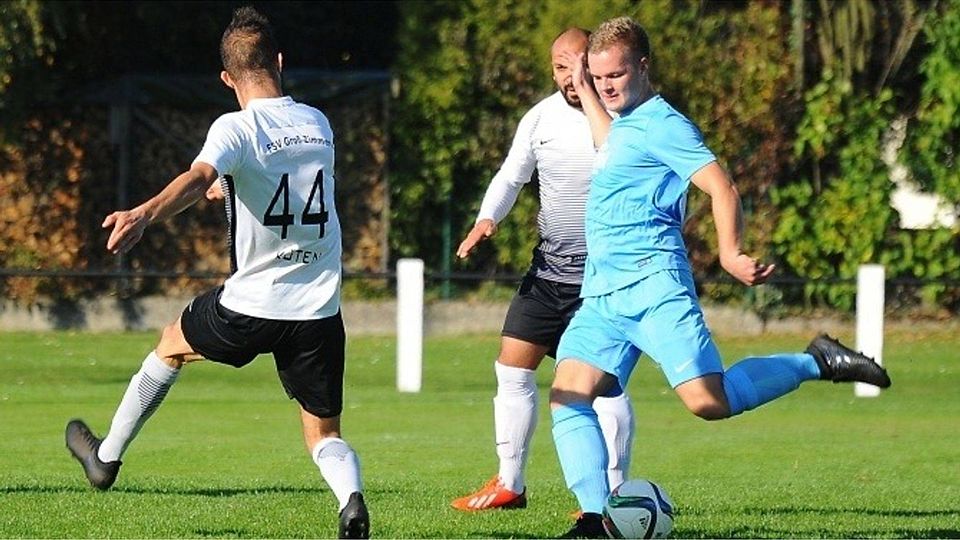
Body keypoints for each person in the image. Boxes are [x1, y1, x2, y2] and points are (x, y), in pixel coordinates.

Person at [550, 16, 892, 538]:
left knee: (709, 403)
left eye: (616, 75)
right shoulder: (623, 124)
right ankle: (595, 518)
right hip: (603, 296)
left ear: (644, 67)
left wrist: (730, 253)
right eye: (598, 79)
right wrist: (585, 84)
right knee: (568, 395)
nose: (607, 86)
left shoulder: (666, 124)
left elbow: (721, 186)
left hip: (653, 287)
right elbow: (610, 141)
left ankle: (814, 361)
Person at [64, 7, 370, 539]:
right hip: (319, 309)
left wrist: (146, 212)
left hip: (251, 306)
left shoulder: (236, 125)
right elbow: (284, 185)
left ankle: (105, 458)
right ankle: (351, 500)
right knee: (324, 434)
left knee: (170, 346)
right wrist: (229, 187)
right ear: (279, 61)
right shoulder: (318, 122)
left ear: (227, 78)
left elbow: (198, 174)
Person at [450, 28, 636, 512]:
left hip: (605, 281)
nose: (570, 76)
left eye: (578, 65)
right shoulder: (540, 118)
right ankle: (510, 485)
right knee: (511, 366)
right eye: (560, 66)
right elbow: (512, 175)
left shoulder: (626, 118)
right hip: (550, 272)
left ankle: (613, 494)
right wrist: (487, 218)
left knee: (605, 386)